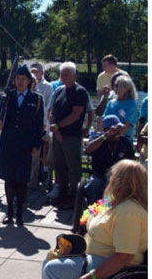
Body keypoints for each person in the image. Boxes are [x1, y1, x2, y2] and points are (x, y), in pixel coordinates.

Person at [41, 159, 147, 279]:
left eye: (113, 176)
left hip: (116, 265)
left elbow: (125, 255)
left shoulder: (128, 211)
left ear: (122, 181)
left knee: (53, 270)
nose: (109, 179)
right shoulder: (113, 202)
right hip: (96, 256)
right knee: (49, 261)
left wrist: (92, 276)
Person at [0, 65, 44, 226]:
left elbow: (38, 124)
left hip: (25, 144)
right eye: (17, 79)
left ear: (29, 81)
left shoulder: (36, 99)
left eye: (23, 79)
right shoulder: (7, 96)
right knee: (9, 179)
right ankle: (9, 211)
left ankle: (20, 214)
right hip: (8, 143)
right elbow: (0, 115)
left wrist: (37, 144)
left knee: (22, 181)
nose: (20, 82)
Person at [49, 62, 90, 209]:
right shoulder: (60, 90)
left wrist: (59, 126)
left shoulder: (80, 92)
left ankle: (74, 197)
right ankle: (62, 193)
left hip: (71, 136)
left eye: (66, 74)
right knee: (58, 165)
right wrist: (56, 129)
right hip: (57, 135)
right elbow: (52, 111)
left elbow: (76, 114)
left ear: (74, 75)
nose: (63, 77)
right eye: (61, 74)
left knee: (73, 167)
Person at [84, 115, 135, 204]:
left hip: (118, 177)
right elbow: (88, 150)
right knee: (95, 184)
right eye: (115, 129)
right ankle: (92, 210)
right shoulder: (98, 138)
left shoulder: (125, 142)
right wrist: (106, 136)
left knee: (127, 188)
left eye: (119, 128)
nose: (118, 131)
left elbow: (131, 161)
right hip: (99, 175)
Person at [29, 62, 54, 189]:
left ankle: (46, 181)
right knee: (32, 156)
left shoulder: (48, 87)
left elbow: (49, 109)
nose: (34, 73)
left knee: (45, 157)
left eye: (36, 71)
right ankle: (31, 181)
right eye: (32, 71)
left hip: (44, 127)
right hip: (30, 128)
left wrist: (47, 128)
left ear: (42, 73)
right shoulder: (27, 86)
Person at [103, 75, 138, 143]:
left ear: (126, 89)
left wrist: (114, 135)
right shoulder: (111, 102)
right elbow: (104, 121)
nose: (114, 87)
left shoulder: (131, 105)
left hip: (123, 139)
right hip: (108, 137)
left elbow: (126, 125)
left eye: (117, 85)